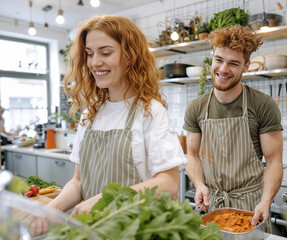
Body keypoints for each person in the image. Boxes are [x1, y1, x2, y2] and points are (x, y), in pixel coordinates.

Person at [29, 15, 187, 236]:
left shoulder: (150, 111)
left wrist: (107, 198)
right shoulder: (91, 113)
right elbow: (78, 182)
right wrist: (51, 210)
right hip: (92, 231)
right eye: (90, 54)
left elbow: (169, 184)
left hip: (135, 231)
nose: (94, 62)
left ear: (130, 56)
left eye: (105, 52)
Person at [183, 26, 283, 228]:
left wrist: (266, 201)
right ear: (212, 57)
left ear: (246, 67)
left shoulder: (262, 105)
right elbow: (192, 156)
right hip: (212, 207)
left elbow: (273, 161)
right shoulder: (197, 107)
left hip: (250, 209)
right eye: (219, 60)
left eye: (233, 63)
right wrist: (200, 184)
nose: (223, 69)